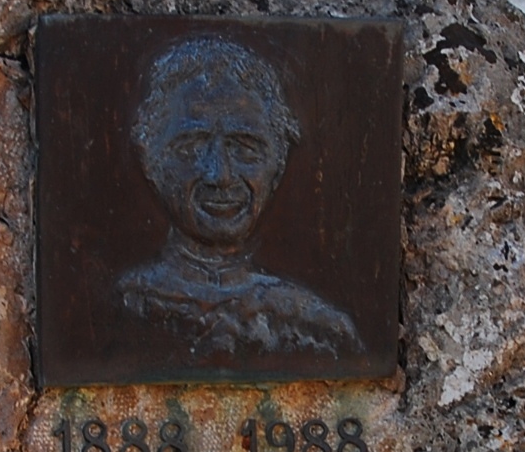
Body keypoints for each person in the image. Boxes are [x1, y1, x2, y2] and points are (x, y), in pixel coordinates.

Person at [117, 39, 356, 361]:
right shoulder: (119, 308)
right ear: (151, 161)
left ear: (279, 162)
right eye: (192, 148)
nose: (221, 175)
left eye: (245, 149)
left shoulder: (318, 329)